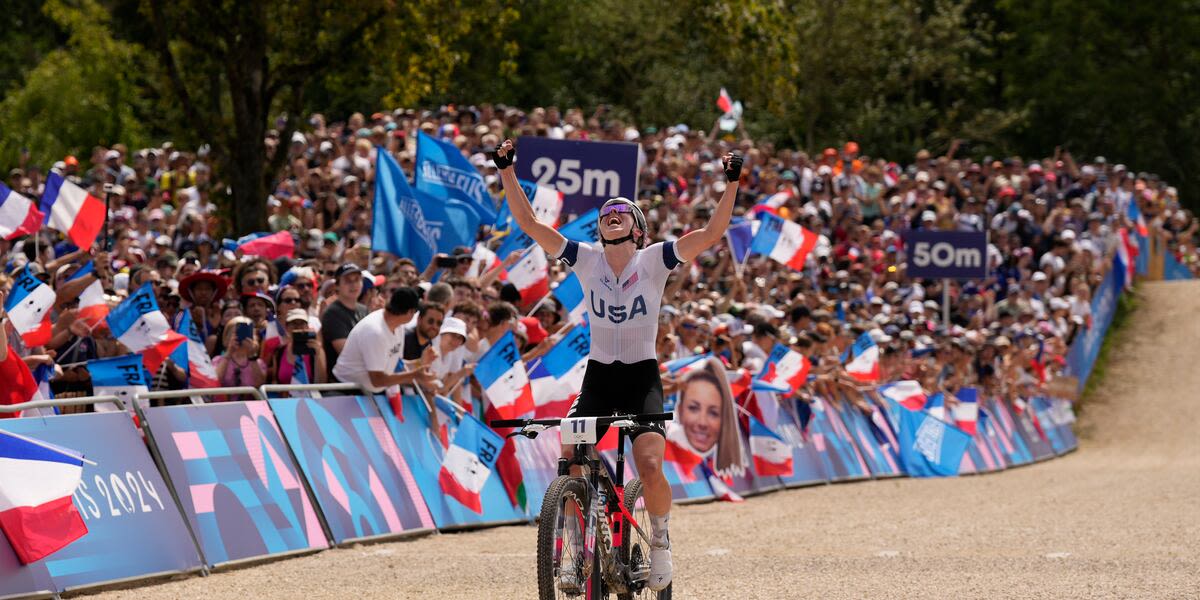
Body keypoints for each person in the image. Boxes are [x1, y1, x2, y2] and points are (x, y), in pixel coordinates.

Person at [491, 138, 742, 591]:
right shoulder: (585, 260)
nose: (611, 210)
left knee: (649, 464)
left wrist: (731, 183)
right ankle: (571, 543)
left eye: (621, 209)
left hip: (642, 375)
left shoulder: (655, 260)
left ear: (637, 229)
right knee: (570, 456)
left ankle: (661, 540)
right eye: (607, 210)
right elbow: (529, 223)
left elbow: (709, 235)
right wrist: (507, 170)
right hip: (600, 377)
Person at [332, 287, 433, 392]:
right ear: (410, 312)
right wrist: (414, 375)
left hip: (367, 394)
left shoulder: (398, 326)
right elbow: (377, 380)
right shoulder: (375, 332)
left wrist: (420, 362)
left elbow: (396, 365)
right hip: (345, 391)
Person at [321, 263, 368, 378]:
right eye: (348, 281)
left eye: (357, 280)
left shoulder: (364, 310)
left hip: (363, 377)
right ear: (337, 285)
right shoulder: (332, 313)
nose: (353, 285)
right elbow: (347, 353)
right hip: (342, 383)